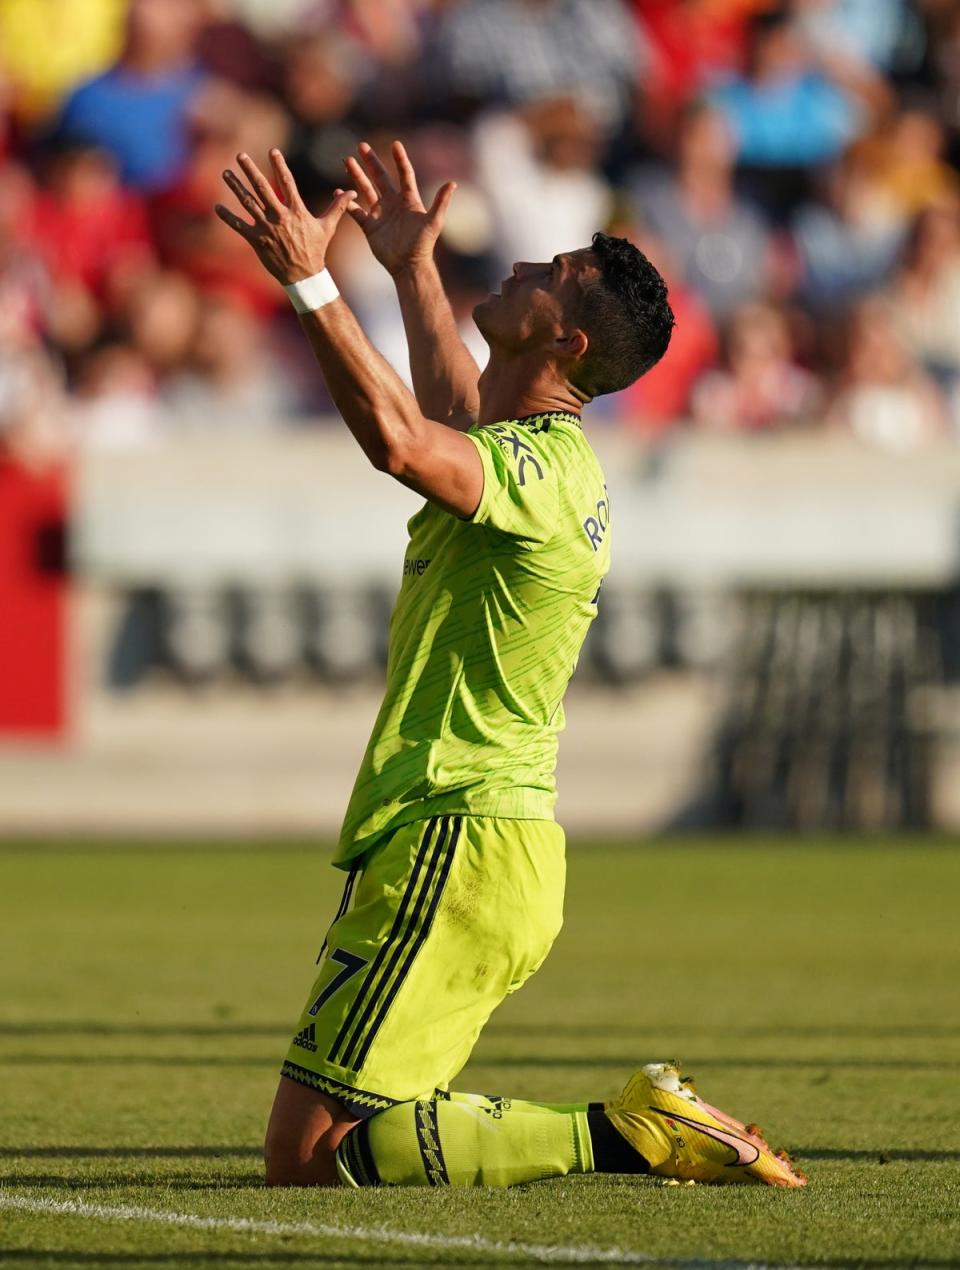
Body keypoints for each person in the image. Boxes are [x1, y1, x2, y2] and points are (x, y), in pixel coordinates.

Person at [215, 139, 805, 1191]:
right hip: (473, 841)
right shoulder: (531, 456)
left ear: (567, 340)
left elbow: (402, 440)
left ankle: (623, 1132)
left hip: (462, 836)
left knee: (305, 1158)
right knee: (341, 1149)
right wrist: (407, 270)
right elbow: (448, 416)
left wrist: (310, 278)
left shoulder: (538, 469)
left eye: (555, 273)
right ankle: (620, 1130)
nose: (529, 265)